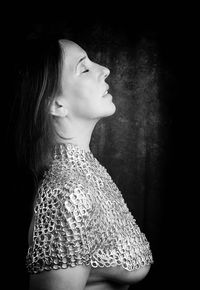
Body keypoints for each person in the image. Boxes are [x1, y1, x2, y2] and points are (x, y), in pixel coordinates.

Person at [16, 36, 153, 290]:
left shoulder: (87, 172)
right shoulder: (66, 195)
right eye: (85, 68)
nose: (105, 70)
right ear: (56, 104)